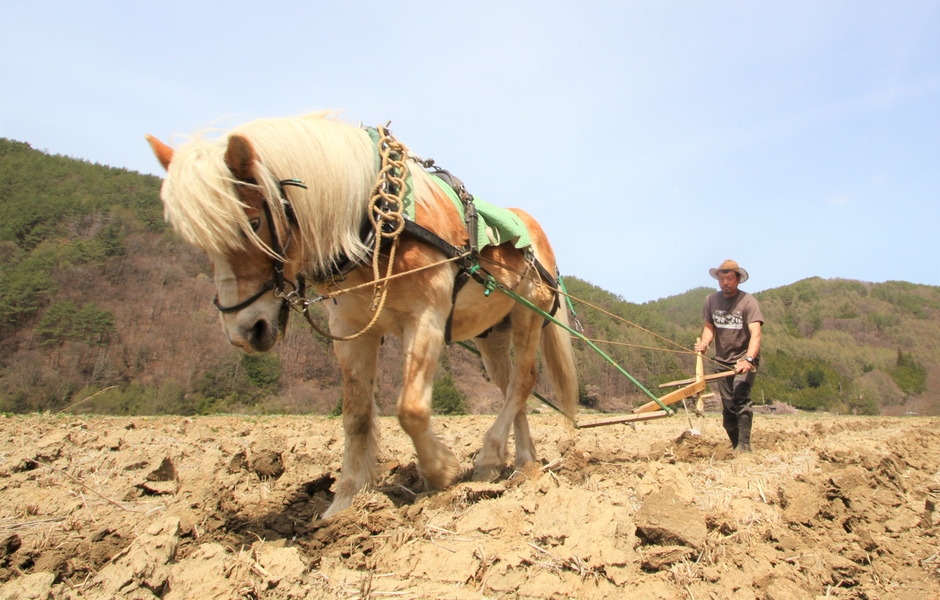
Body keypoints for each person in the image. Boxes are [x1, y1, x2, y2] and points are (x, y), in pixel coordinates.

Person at [693, 259, 763, 453]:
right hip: (722, 362)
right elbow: (709, 328)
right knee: (728, 406)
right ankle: (736, 446)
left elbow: (756, 334)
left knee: (740, 398)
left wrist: (748, 359)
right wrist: (705, 344)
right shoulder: (711, 301)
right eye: (722, 279)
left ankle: (744, 446)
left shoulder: (748, 302)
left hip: (744, 359)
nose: (725, 283)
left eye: (729, 278)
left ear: (738, 279)